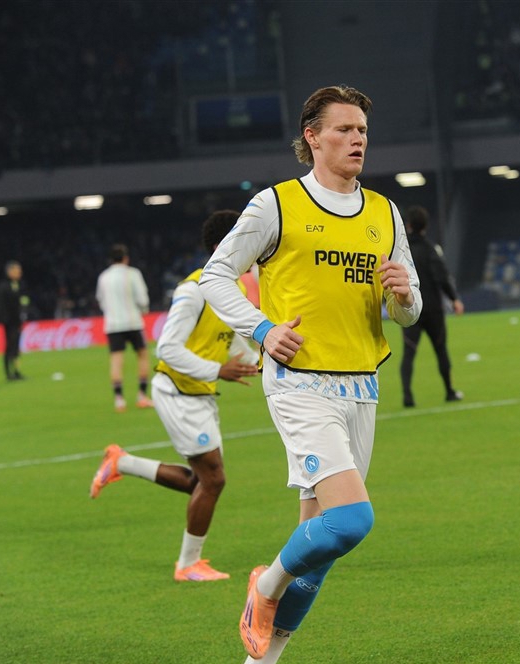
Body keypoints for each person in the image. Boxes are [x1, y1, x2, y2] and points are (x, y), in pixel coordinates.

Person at [198, 85, 421, 663]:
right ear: (312, 137)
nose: (357, 139)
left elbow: (408, 309)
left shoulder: (385, 212)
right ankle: (265, 585)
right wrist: (262, 329)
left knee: (320, 553)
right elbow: (216, 275)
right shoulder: (276, 204)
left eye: (362, 130)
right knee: (350, 521)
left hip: (362, 384)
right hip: (301, 383)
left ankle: (260, 661)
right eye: (344, 129)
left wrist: (404, 296)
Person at [89, 211, 259, 581]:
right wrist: (218, 370)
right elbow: (167, 348)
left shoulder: (237, 289)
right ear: (223, 245)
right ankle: (187, 565)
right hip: (178, 392)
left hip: (200, 393)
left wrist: (257, 363)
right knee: (213, 480)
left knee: (202, 481)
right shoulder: (193, 290)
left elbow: (229, 341)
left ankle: (121, 463)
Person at [399, 205, 464, 408]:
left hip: (410, 307)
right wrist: (454, 299)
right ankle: (449, 391)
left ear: (408, 225)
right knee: (441, 349)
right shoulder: (431, 249)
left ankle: (408, 397)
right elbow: (442, 276)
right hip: (433, 308)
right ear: (425, 226)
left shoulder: (402, 250)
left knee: (409, 353)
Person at [96, 244, 153, 411]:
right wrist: (144, 309)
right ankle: (142, 396)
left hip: (113, 324)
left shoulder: (103, 277)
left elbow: (101, 300)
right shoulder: (133, 274)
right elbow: (142, 299)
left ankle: (119, 400)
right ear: (126, 258)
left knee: (116, 360)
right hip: (133, 322)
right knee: (143, 356)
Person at [0, 260, 29, 381]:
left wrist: (24, 310)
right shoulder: (3, 287)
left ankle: (16, 371)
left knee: (16, 347)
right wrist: (6, 320)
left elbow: (24, 299)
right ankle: (9, 373)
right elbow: (1, 306)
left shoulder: (20, 285)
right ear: (10, 272)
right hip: (9, 322)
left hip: (18, 321)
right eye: (17, 270)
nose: (20, 272)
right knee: (10, 346)